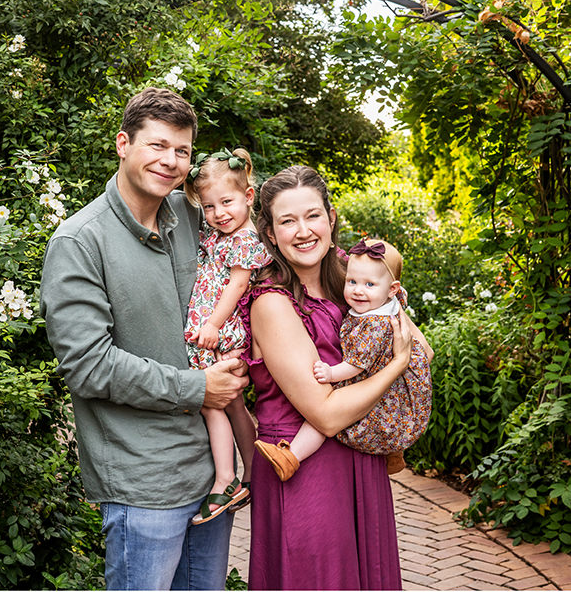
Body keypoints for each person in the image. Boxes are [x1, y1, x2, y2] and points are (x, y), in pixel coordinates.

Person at [39, 88, 249, 591]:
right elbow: (88, 366)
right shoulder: (79, 242)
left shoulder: (197, 218)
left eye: (182, 150)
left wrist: (379, 301)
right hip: (143, 482)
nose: (171, 161)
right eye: (157, 146)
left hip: (211, 476)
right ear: (123, 144)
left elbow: (268, 247)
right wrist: (197, 389)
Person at [238, 164, 426, 590]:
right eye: (287, 221)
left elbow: (415, 341)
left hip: (360, 458)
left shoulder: (351, 282)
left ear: (332, 218)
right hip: (301, 468)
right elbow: (323, 415)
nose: (303, 231)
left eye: (312, 216)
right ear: (270, 235)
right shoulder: (272, 303)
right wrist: (396, 364)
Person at [253, 237, 432, 481]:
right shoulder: (387, 304)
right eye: (352, 281)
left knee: (325, 414)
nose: (358, 290)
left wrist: (331, 373)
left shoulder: (374, 323)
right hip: (389, 387)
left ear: (392, 289)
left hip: (366, 376)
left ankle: (292, 456)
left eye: (369, 284)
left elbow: (357, 364)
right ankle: (393, 452)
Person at [182, 148, 271, 524]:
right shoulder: (222, 231)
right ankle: (252, 475)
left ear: (249, 197)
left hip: (220, 332)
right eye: (209, 206)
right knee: (232, 404)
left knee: (212, 403)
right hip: (212, 332)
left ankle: (226, 476)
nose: (219, 213)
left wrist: (214, 325)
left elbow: (236, 286)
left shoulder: (245, 239)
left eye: (227, 202)